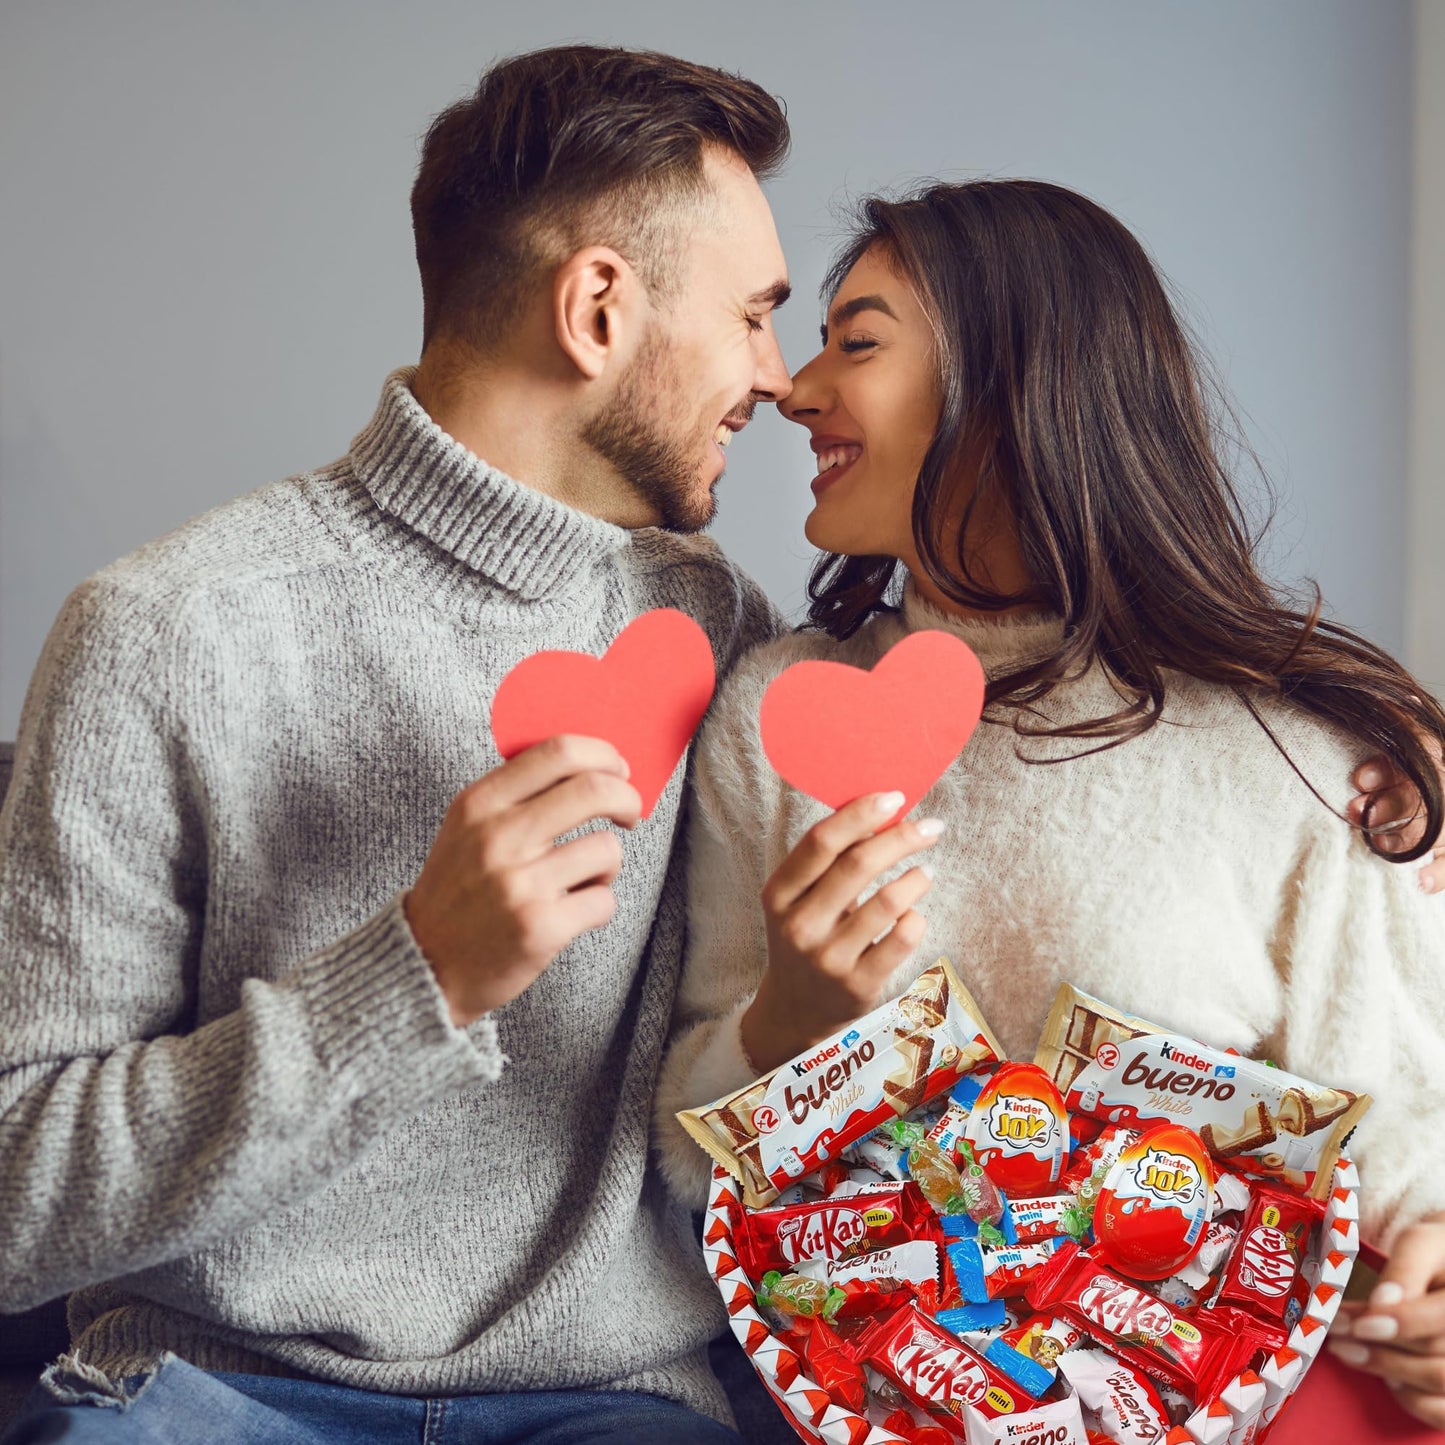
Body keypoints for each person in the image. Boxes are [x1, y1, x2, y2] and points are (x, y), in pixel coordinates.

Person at [0, 45, 797, 1445]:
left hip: (609, 1405)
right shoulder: (163, 630)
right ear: (598, 309)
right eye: (751, 317)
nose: (776, 379)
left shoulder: (720, 629)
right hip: (210, 1394)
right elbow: (13, 1190)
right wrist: (410, 978)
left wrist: (1314, 722)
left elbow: (985, 698)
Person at [654, 179, 1445, 1430]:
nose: (795, 390)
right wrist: (784, 1023)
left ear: (1020, 384)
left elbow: (1404, 1154)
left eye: (853, 342)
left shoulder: (1298, 755)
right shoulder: (778, 713)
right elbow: (686, 1175)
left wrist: (1428, 1285)